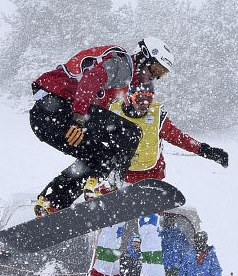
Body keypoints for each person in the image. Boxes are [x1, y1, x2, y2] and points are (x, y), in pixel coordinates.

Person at [80, 82, 229, 276]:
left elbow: (181, 139)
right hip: (120, 179)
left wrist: (207, 151)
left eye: (149, 98)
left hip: (148, 182)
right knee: (111, 230)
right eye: (140, 98)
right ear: (129, 97)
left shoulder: (157, 117)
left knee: (149, 231)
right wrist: (92, 180)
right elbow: (96, 146)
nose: (144, 104)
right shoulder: (114, 113)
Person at [29, 38, 184, 217]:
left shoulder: (123, 84)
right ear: (143, 57)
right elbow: (91, 78)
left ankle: (52, 201)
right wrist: (79, 118)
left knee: (98, 156)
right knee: (131, 133)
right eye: (156, 69)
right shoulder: (124, 65)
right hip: (58, 107)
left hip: (44, 121)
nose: (155, 76)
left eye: (161, 74)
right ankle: (108, 184)